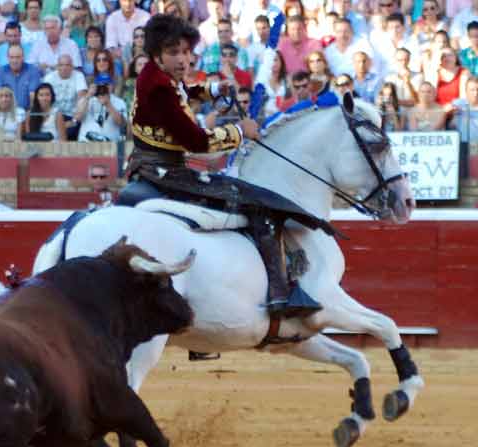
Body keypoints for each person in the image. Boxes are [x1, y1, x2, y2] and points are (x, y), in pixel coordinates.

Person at [123, 14, 326, 317]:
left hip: (152, 166)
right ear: (156, 55)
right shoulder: (159, 88)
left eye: (185, 51)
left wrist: (211, 90)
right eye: (173, 52)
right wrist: (242, 131)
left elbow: (183, 93)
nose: (183, 60)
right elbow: (196, 142)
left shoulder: (156, 76)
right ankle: (279, 295)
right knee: (256, 203)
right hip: (166, 174)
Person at [75, 72, 126, 140]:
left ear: (112, 86)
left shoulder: (119, 101)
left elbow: (121, 123)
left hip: (111, 144)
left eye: (107, 84)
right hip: (86, 142)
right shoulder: (87, 99)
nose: (104, 87)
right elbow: (77, 118)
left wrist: (108, 104)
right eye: (101, 85)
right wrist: (88, 96)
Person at [0, 44, 40, 110]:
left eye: (17, 57)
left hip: (27, 112)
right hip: (5, 113)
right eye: (12, 57)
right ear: (7, 58)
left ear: (23, 57)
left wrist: (30, 116)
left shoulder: (32, 70)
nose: (14, 61)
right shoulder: (0, 72)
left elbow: (33, 97)